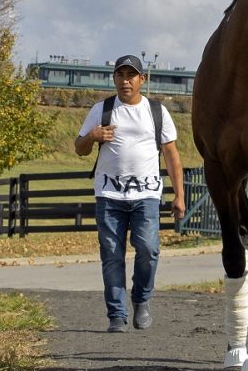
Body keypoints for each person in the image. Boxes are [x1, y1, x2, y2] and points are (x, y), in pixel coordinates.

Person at [75, 54, 185, 333]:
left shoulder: (157, 111)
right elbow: (79, 147)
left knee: (148, 249)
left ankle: (141, 299)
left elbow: (171, 155)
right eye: (120, 75)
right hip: (109, 195)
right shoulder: (102, 109)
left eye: (131, 75)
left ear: (141, 79)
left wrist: (179, 195)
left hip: (146, 195)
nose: (125, 81)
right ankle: (116, 314)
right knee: (112, 254)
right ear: (114, 79)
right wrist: (93, 137)